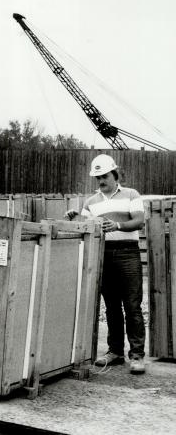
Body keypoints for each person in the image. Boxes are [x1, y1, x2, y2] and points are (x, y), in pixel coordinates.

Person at [66, 154, 146, 374]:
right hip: (102, 254)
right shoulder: (91, 202)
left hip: (128, 254)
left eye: (105, 176)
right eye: (98, 177)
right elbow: (84, 227)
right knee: (111, 307)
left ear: (115, 174)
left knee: (132, 306)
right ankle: (115, 352)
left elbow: (139, 220)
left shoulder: (132, 194)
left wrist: (118, 225)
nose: (101, 180)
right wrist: (74, 219)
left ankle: (137, 356)